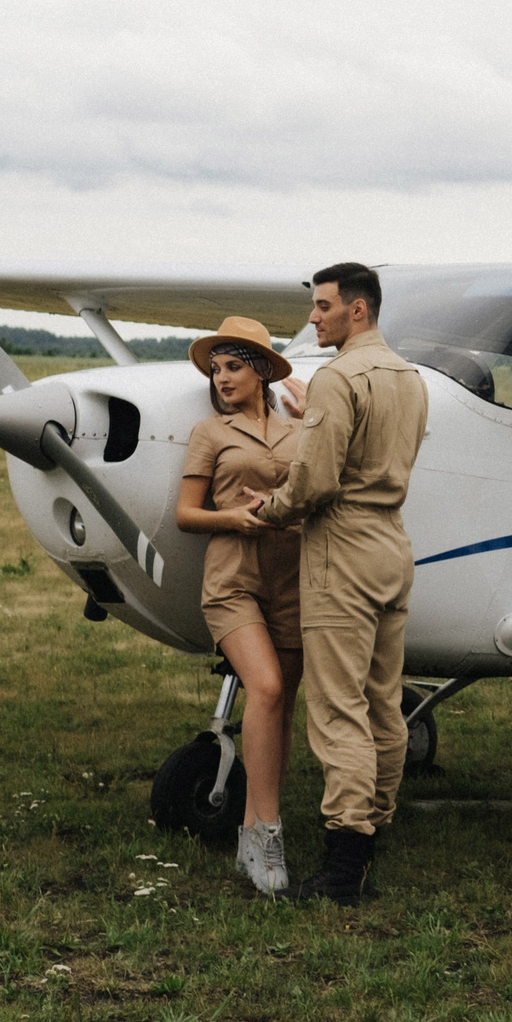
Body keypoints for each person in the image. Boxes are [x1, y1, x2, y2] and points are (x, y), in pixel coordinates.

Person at [239, 261, 428, 904]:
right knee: (383, 701)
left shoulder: (338, 378)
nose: (312, 318)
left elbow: (315, 482)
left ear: (358, 310)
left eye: (322, 307)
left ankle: (344, 868)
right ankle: (373, 833)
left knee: (337, 708)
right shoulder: (409, 377)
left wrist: (265, 509)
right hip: (392, 545)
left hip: (341, 549)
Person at [174, 316, 306, 896]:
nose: (222, 378)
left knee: (281, 706)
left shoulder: (300, 429)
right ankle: (268, 831)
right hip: (233, 577)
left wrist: (314, 420)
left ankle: (251, 832)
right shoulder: (210, 432)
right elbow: (186, 513)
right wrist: (233, 517)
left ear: (260, 372)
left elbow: (325, 492)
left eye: (233, 367)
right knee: (268, 688)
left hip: (294, 576)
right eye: (216, 369)